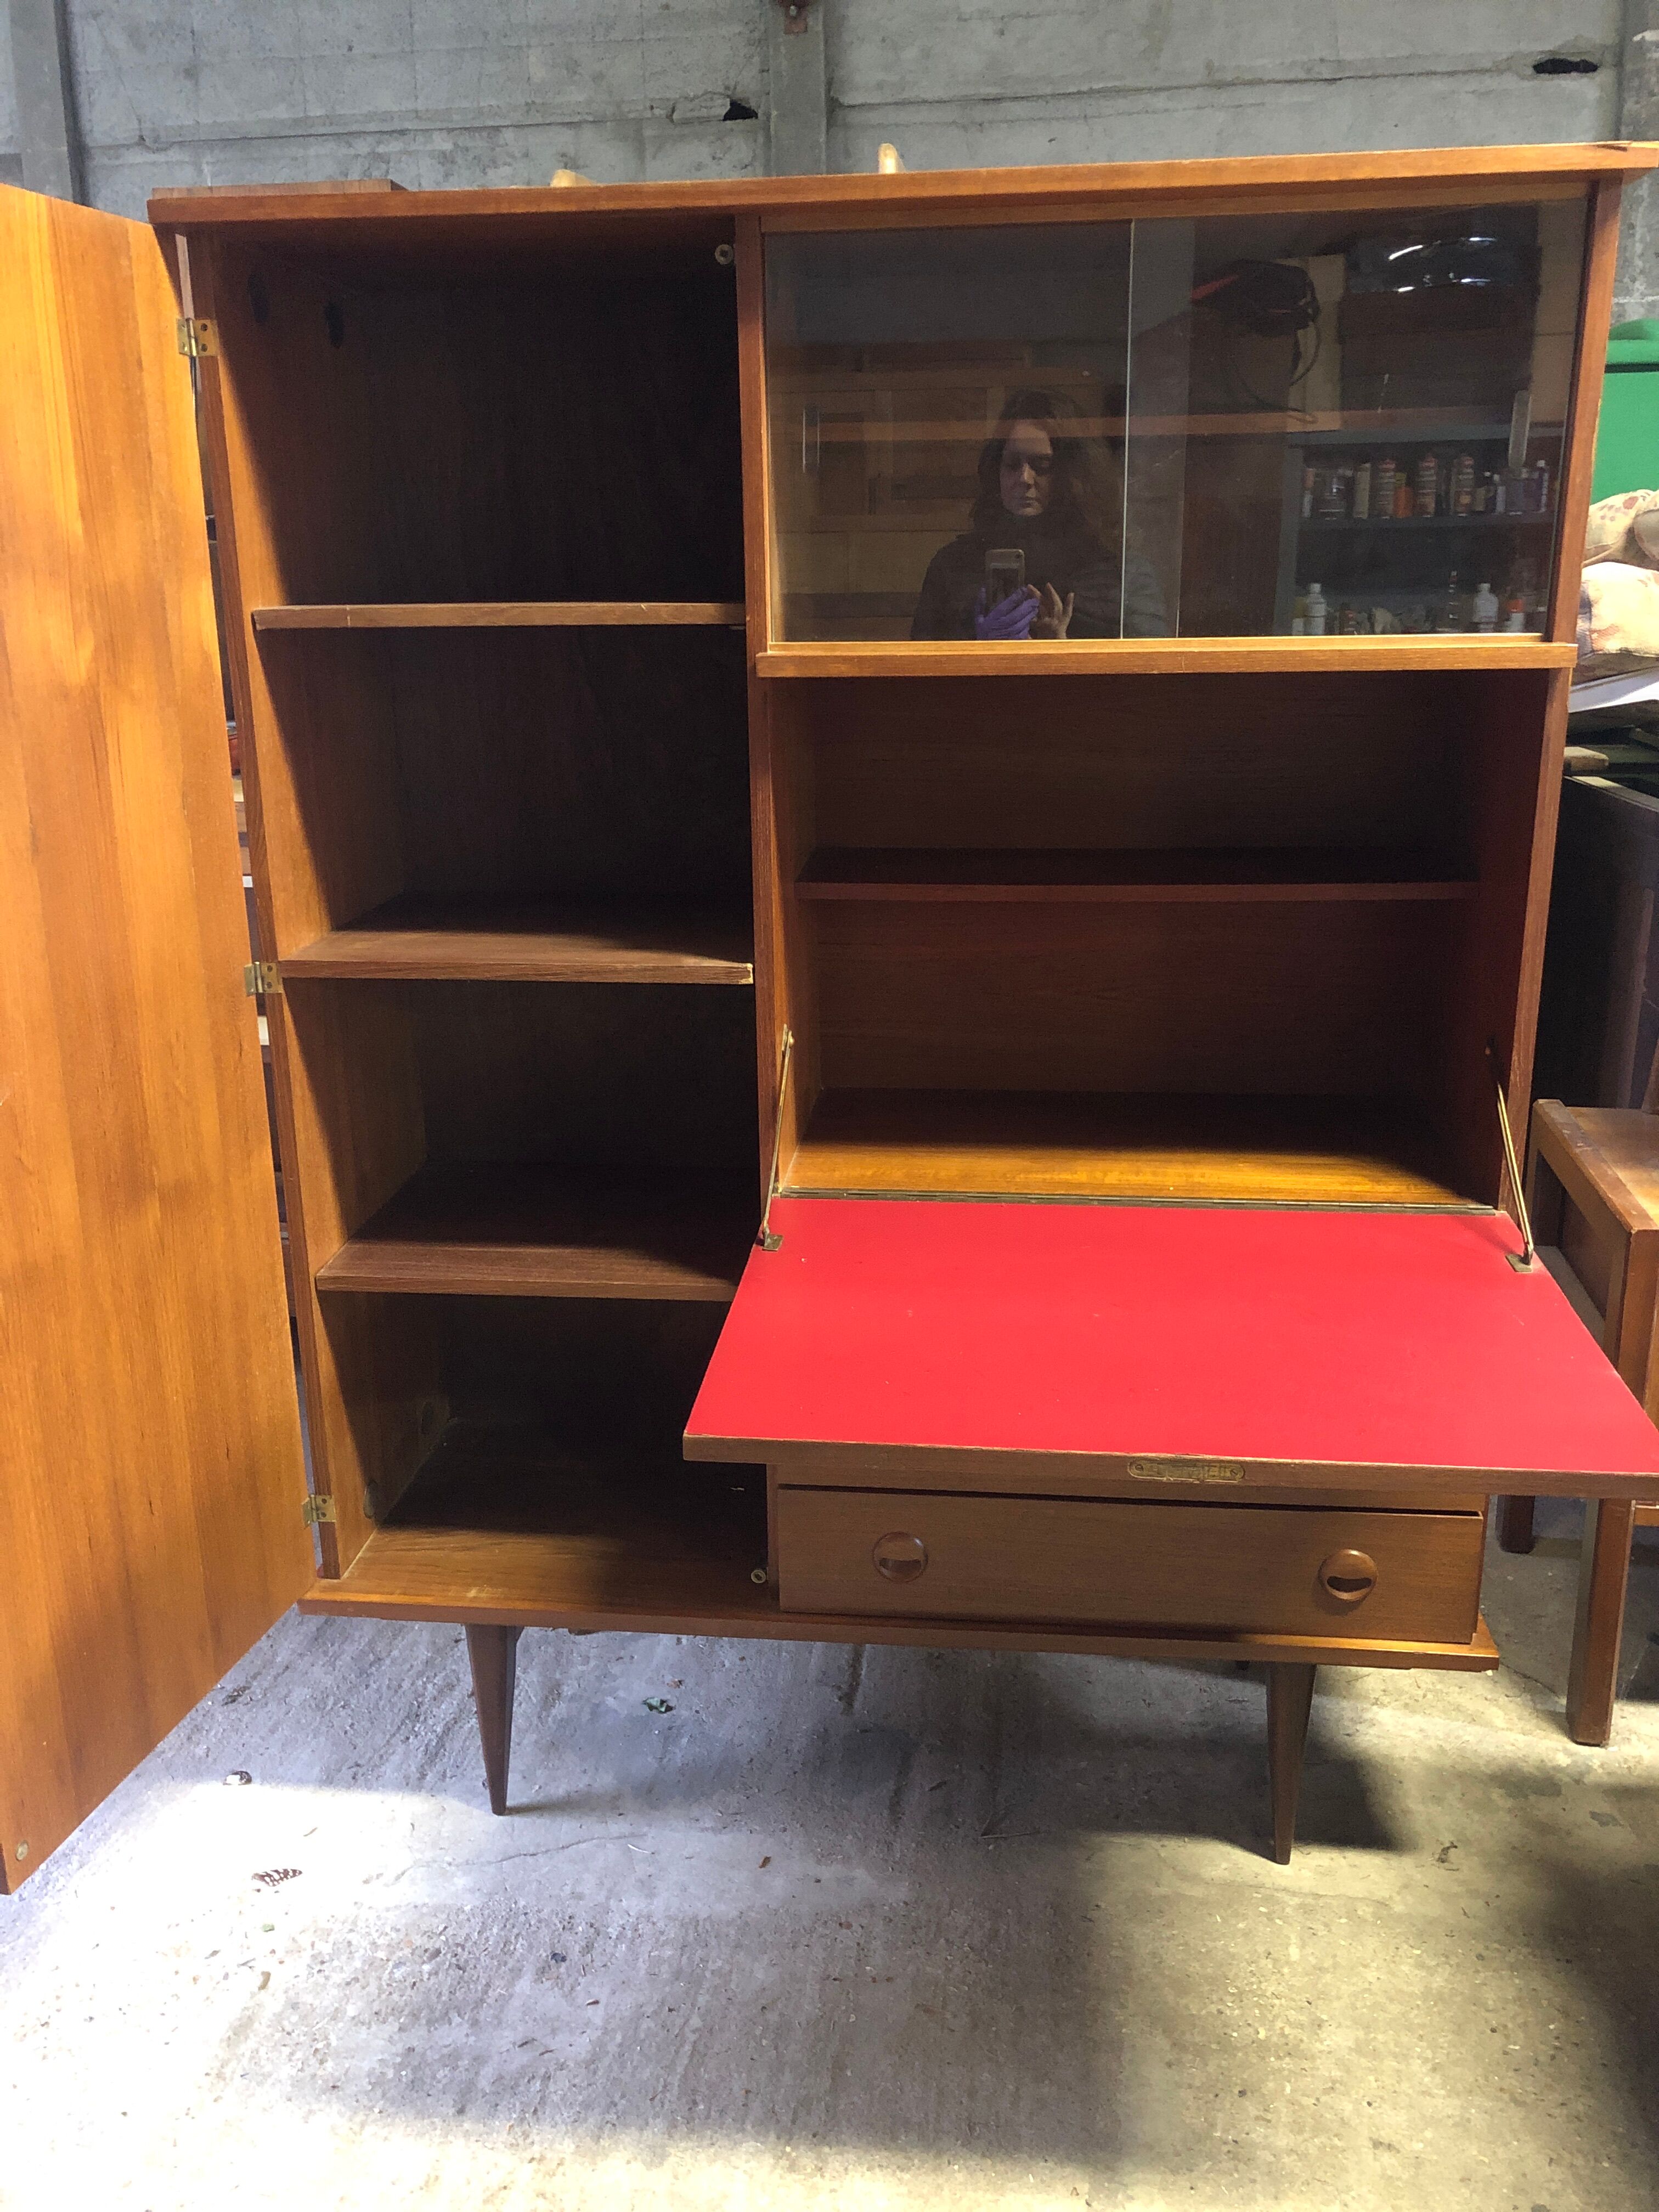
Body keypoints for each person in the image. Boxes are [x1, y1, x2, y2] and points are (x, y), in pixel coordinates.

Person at [909, 387, 1167, 640]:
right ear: (995, 468)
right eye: (1011, 464)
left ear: (1073, 473)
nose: (1024, 478)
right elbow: (920, 673)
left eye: (1042, 466)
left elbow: (1147, 676)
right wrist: (979, 651)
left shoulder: (1120, 576)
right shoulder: (954, 567)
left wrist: (1059, 655)